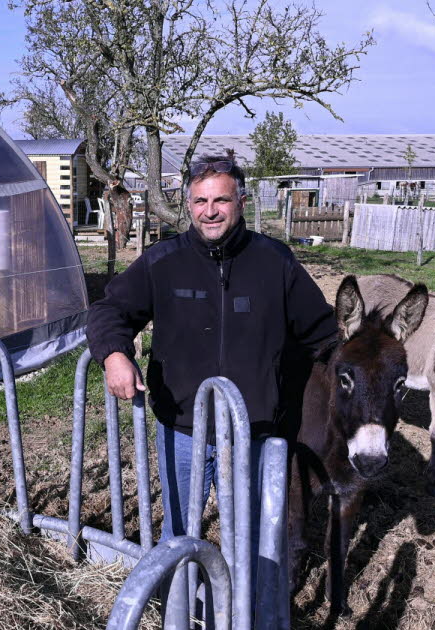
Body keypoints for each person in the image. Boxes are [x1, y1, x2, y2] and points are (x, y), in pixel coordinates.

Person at [86, 155, 338, 599]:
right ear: (188, 204)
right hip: (182, 428)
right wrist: (113, 354)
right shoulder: (163, 261)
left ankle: (246, 613)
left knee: (251, 536)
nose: (210, 210)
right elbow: (110, 309)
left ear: (240, 201)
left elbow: (323, 334)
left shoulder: (274, 262)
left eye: (221, 199)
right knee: (180, 531)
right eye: (200, 201)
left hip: (253, 432)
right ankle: (178, 612)